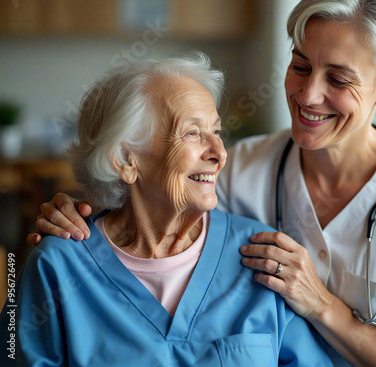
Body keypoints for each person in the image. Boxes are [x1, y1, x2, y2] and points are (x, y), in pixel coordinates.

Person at [29, 0, 376, 366]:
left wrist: (324, 307)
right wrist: (72, 211)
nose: (308, 95)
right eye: (300, 66)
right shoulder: (240, 170)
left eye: (339, 79)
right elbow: (149, 197)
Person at [0, 53, 336, 366]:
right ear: (125, 160)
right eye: (192, 133)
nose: (219, 152)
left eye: (217, 131)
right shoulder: (57, 265)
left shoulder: (263, 257)